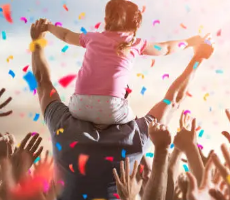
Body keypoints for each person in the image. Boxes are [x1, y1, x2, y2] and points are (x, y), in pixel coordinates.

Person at [30, 17, 214, 200]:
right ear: (124, 97)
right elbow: (173, 100)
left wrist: (37, 42)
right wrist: (198, 58)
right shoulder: (138, 136)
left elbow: (42, 80)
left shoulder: (61, 125)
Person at [40, 0, 206, 127]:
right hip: (112, 109)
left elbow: (65, 35)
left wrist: (48, 26)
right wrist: (190, 42)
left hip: (79, 106)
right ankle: (146, 167)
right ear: (136, 25)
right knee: (137, 130)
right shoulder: (135, 43)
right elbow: (166, 48)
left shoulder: (91, 38)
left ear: (106, 19)